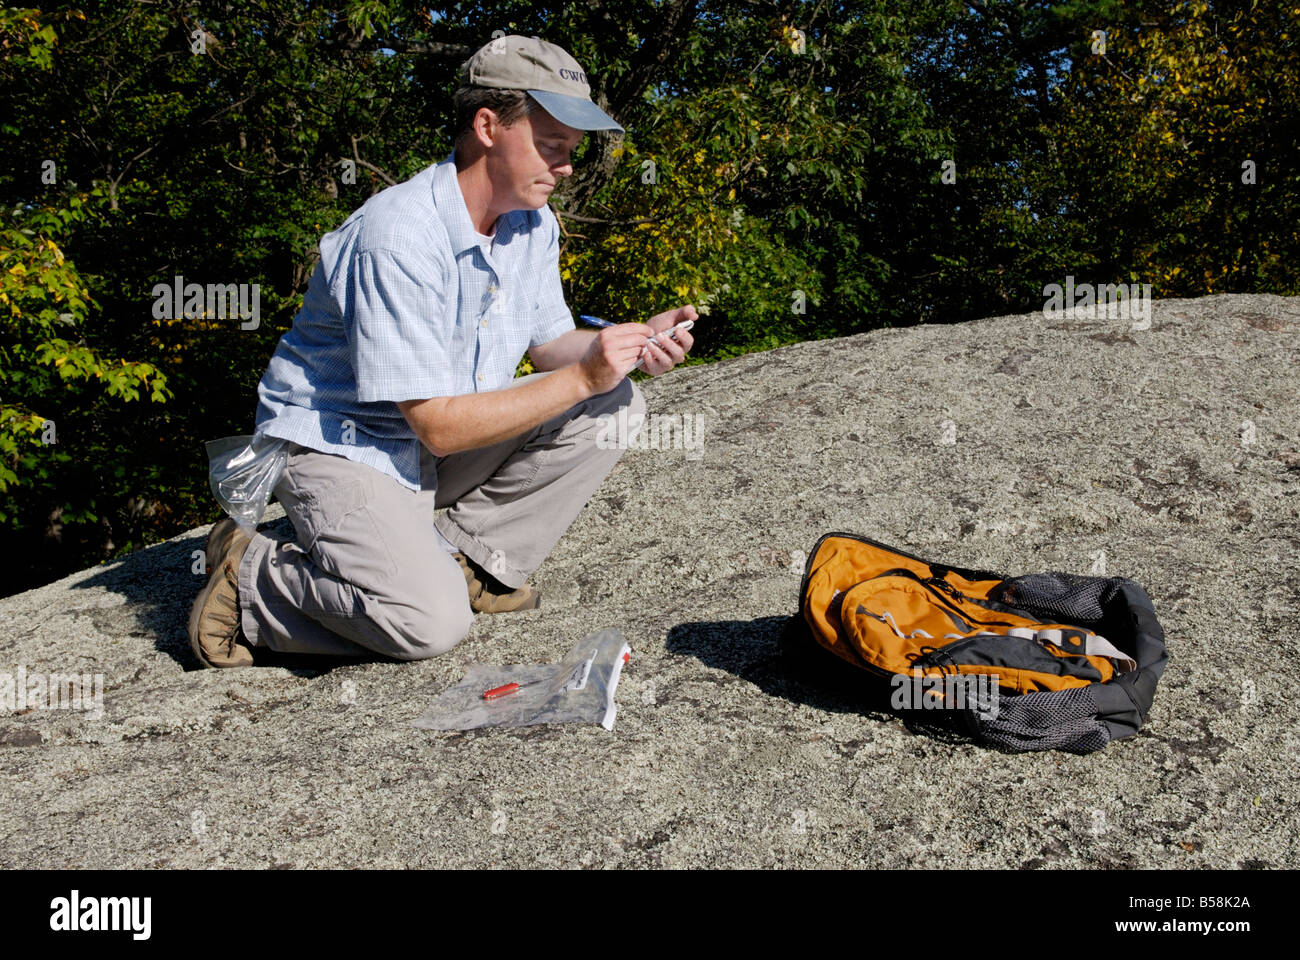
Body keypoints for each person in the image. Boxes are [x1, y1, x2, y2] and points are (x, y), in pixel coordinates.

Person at [188, 35, 697, 668]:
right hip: (345, 450)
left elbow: (548, 349)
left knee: (616, 404)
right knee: (426, 624)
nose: (566, 166)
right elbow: (437, 425)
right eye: (551, 145)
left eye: (571, 150)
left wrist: (622, 345)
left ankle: (467, 559)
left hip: (432, 445)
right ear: (488, 126)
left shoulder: (530, 223)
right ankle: (252, 578)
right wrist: (584, 378)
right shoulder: (398, 237)